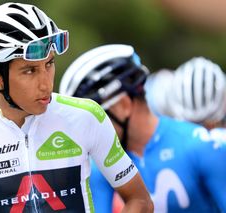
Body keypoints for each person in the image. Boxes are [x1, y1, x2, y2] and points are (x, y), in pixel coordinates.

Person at [0, 3, 153, 213]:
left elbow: (140, 200)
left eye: (49, 64)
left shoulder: (87, 116)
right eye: (30, 70)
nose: (46, 83)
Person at [59, 44, 226, 212]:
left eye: (93, 120)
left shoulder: (202, 146)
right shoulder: (101, 167)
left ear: (123, 106)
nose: (86, 134)